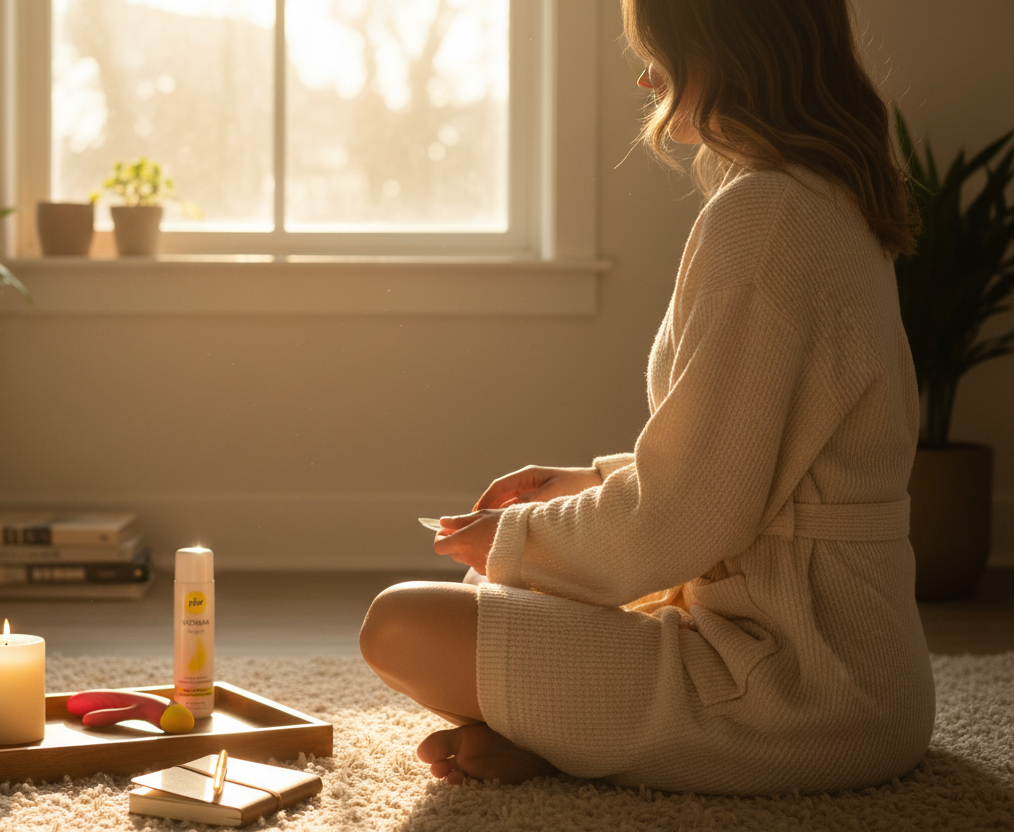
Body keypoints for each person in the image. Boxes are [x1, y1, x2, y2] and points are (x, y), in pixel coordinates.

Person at [359, 0, 936, 796]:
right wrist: (586, 485)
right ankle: (548, 734)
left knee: (400, 625)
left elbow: (689, 516)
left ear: (728, 47)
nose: (645, 78)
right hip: (859, 675)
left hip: (800, 691)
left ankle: (559, 736)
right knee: (492, 593)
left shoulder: (765, 215)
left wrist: (518, 539)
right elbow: (762, 461)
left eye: (659, 55)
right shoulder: (821, 198)